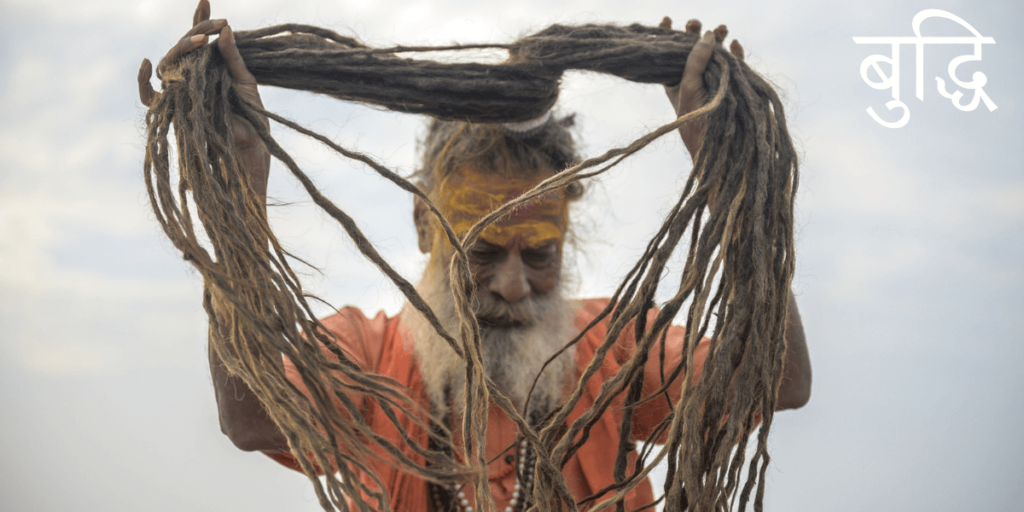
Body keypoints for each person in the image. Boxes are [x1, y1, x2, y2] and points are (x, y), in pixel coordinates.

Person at [138, 2, 812, 511]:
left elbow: (778, 381)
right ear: (425, 227)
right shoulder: (369, 357)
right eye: (483, 251)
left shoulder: (618, 351)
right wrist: (237, 201)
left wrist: (733, 182)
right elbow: (252, 417)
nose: (513, 286)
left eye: (540, 253)